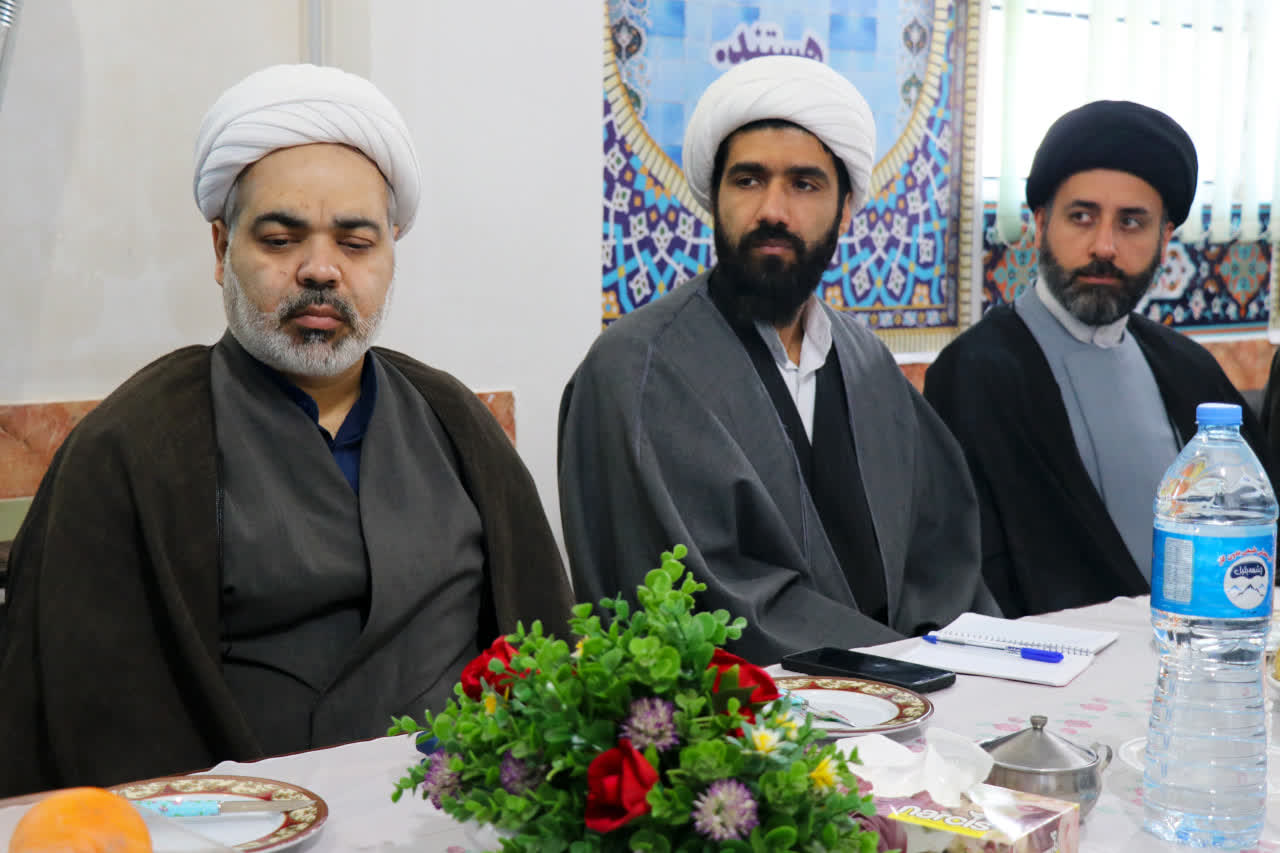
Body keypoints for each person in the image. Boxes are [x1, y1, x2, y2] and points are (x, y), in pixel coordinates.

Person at [0, 64, 571, 795]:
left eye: (356, 243)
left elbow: (545, 652)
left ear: (391, 254)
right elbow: (89, 722)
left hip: (460, 814)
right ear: (220, 249)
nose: (321, 270)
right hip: (237, 828)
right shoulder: (131, 448)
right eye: (280, 239)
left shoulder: (454, 422)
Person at [558, 56, 998, 665]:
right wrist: (897, 665)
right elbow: (697, 604)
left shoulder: (868, 362)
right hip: (747, 713)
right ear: (715, 198)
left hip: (916, 697)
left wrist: (950, 662)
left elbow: (941, 559)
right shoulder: (636, 369)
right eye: (748, 180)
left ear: (846, 206)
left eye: (804, 184)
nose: (772, 210)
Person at [924, 100, 1272, 618]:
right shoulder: (974, 375)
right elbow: (967, 578)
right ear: (1041, 224)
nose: (1104, 246)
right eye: (1082, 217)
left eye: (1131, 222)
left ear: (1164, 238)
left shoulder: (1190, 371)